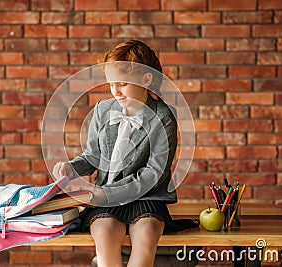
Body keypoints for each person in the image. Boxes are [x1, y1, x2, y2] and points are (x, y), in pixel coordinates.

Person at [53, 40, 197, 267]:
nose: (116, 91)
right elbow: (93, 156)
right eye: (111, 85)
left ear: (146, 80)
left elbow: (154, 174)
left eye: (122, 83)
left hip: (147, 198)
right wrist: (71, 168)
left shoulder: (163, 117)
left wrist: (107, 193)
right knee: (104, 231)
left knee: (147, 232)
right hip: (105, 200)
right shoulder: (102, 110)